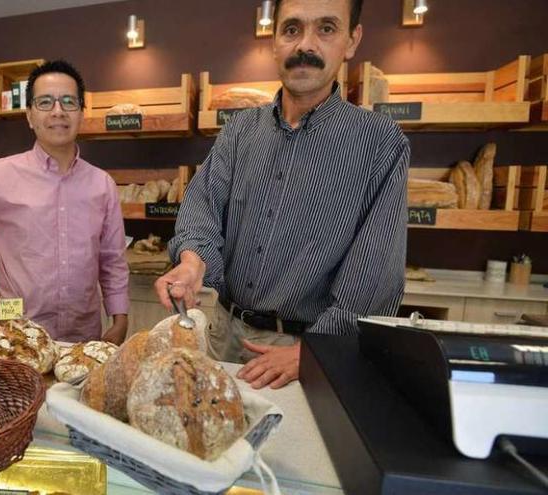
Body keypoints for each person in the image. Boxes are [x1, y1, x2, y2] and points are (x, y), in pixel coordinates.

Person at [155, 0, 409, 389]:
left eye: (326, 29)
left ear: (352, 40)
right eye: (291, 29)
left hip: (305, 350)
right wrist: (192, 264)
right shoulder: (240, 131)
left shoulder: (380, 143)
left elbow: (373, 273)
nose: (305, 45)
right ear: (274, 41)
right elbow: (203, 208)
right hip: (224, 332)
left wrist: (314, 352)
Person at [0, 60, 129, 344]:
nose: (58, 111)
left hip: (83, 341)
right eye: (45, 102)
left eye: (68, 102)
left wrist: (120, 320)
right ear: (30, 115)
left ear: (82, 112)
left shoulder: (102, 185)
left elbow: (112, 260)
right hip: (18, 335)